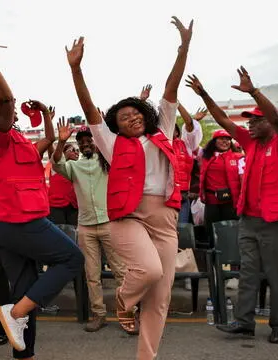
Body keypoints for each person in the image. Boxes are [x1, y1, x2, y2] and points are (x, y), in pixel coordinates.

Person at [67, 16, 193, 360]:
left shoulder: (163, 130)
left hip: (165, 217)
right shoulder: (109, 142)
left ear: (145, 115)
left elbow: (171, 87)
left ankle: (146, 356)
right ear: (115, 125)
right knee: (148, 271)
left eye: (135, 112)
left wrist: (184, 47)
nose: (132, 117)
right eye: (123, 116)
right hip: (128, 216)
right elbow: (88, 109)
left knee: (160, 296)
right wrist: (76, 70)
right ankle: (122, 301)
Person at [0, 33, 84, 360]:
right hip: (17, 222)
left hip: (5, 224)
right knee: (71, 258)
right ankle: (13, 314)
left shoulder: (16, 141)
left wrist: (44, 116)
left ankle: (23, 351)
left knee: (27, 291)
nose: (12, 112)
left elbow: (47, 138)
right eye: (0, 109)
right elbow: (5, 101)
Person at [186, 69, 278, 344]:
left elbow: (275, 118)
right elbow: (223, 119)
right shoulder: (250, 143)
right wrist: (204, 94)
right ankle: (245, 322)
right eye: (249, 122)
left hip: (275, 222)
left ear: (270, 124)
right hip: (248, 219)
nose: (249, 126)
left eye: (255, 121)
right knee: (247, 272)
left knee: (274, 274)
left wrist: (253, 92)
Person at [52, 120, 128, 333]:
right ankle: (99, 314)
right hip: (85, 227)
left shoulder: (106, 161)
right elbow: (57, 164)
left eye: (89, 140)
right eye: (82, 141)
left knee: (120, 272)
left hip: (108, 223)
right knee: (92, 275)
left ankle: (128, 313)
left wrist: (105, 129)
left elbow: (115, 147)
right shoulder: (73, 166)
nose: (86, 144)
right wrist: (61, 142)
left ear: (96, 143)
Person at [198, 130, 245, 247]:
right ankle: (213, 261)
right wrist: (193, 123)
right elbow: (191, 142)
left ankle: (230, 261)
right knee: (211, 234)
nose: (225, 141)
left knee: (230, 233)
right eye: (221, 138)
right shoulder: (205, 156)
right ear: (214, 141)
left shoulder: (239, 157)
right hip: (211, 202)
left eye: (228, 139)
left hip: (230, 202)